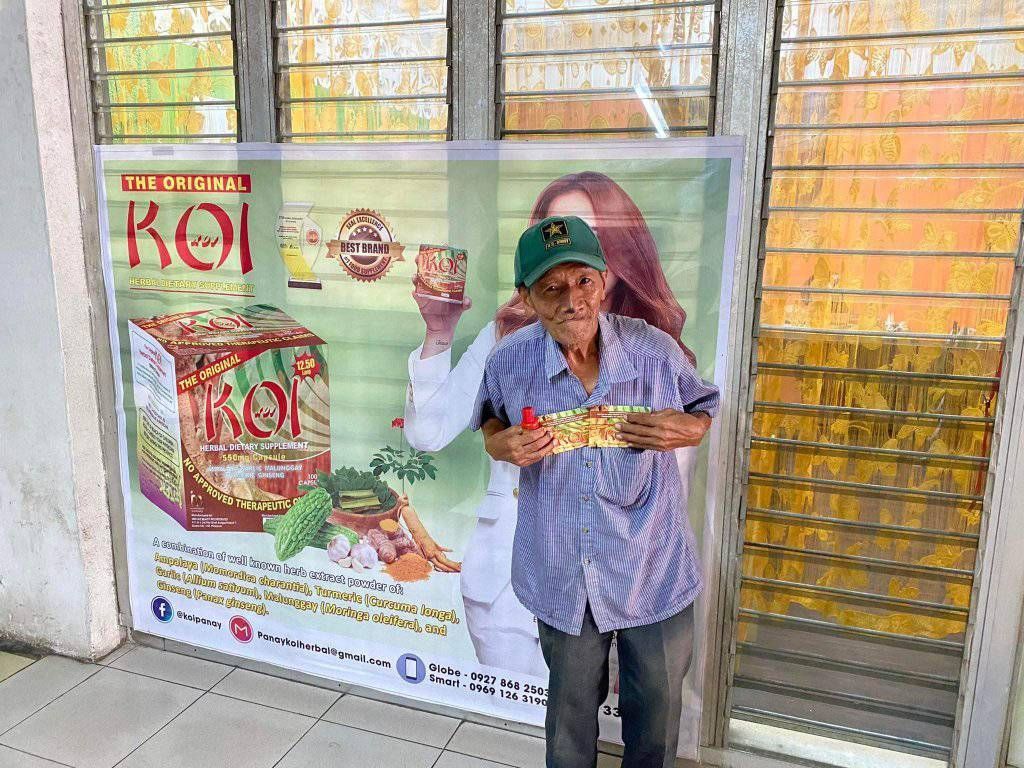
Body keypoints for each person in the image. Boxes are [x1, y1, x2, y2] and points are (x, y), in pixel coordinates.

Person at [404, 172, 700, 677]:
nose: (569, 281)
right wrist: (439, 332)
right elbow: (429, 431)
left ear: (612, 261)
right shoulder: (506, 342)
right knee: (556, 723)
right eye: (551, 233)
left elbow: (676, 474)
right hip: (519, 586)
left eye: (584, 246)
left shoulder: (655, 349)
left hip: (636, 578)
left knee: (645, 715)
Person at [472, 215, 719, 768]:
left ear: (605, 280)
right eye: (551, 288)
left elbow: (704, 407)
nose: (573, 300)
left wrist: (689, 428)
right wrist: (501, 445)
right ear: (526, 297)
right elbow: (488, 422)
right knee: (569, 714)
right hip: (562, 570)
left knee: (655, 709)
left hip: (649, 563)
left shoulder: (653, 351)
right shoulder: (509, 362)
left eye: (584, 281)